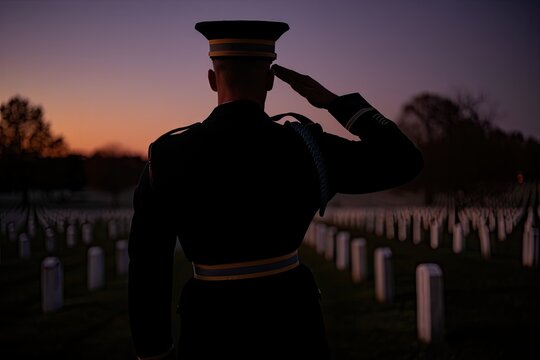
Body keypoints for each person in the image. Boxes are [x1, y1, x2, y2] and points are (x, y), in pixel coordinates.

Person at [128, 20, 423, 360]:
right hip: (292, 323)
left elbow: (148, 264)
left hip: (210, 326)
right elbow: (404, 161)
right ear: (270, 79)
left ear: (212, 80)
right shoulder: (308, 147)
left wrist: (154, 352)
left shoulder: (168, 155)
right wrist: (333, 102)